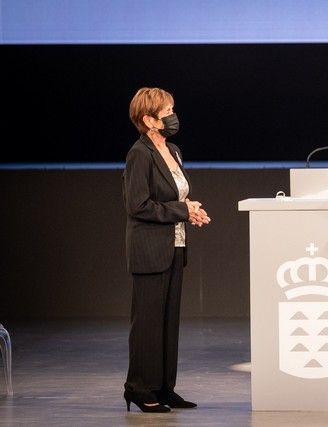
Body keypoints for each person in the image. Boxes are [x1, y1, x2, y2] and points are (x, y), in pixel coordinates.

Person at [122, 87, 211, 413]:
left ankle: (163, 388)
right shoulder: (139, 153)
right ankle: (139, 388)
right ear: (148, 119)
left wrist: (190, 210)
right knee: (147, 323)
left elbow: (174, 197)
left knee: (168, 322)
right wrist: (181, 211)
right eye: (167, 111)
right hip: (149, 249)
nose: (173, 116)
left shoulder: (172, 149)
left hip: (174, 244)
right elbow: (139, 205)